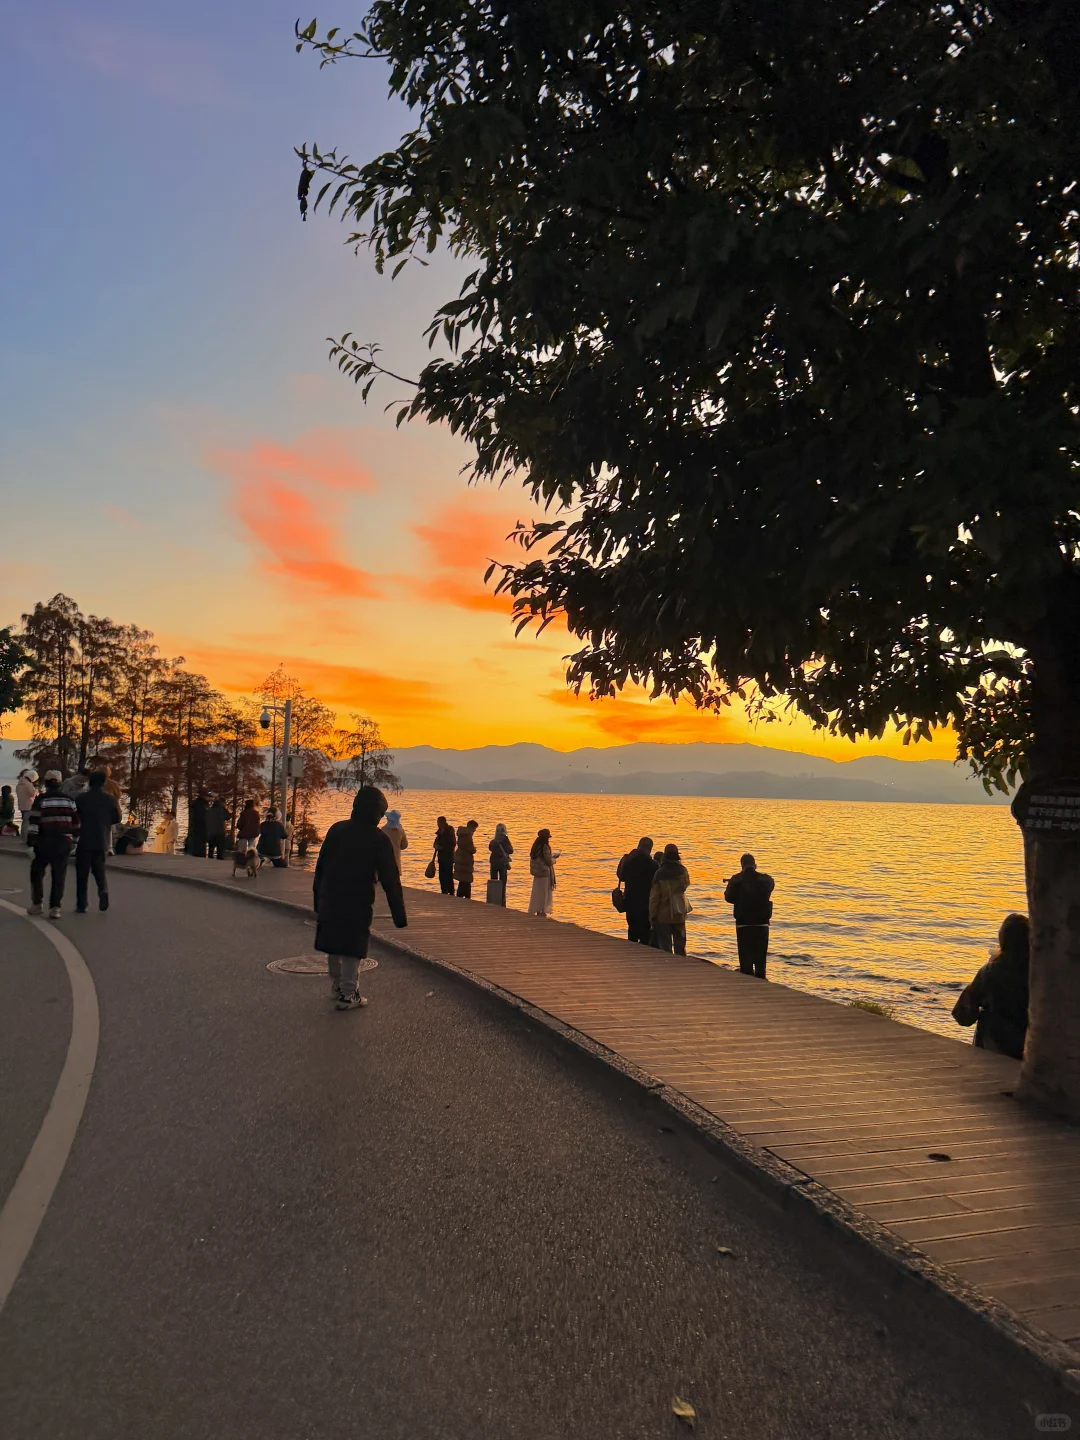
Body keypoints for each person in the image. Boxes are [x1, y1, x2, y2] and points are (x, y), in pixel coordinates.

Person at [313, 785, 407, 1010]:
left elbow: (321, 866)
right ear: (376, 812)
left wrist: (318, 898)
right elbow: (390, 879)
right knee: (352, 945)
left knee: (333, 943)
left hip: (330, 894)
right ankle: (348, 994)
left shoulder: (336, 829)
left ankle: (338, 986)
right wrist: (399, 915)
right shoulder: (378, 839)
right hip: (358, 898)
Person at [952, 913, 1030, 1059]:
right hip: (1028, 1048)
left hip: (992, 1048)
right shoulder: (1041, 974)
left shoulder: (990, 971)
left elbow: (963, 1016)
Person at [26, 770, 80, 919]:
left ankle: (37, 904)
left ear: (46, 783)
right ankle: (55, 908)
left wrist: (31, 843)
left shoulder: (41, 800)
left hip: (43, 841)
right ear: (60, 783)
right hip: (63, 841)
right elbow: (76, 823)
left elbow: (34, 823)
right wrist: (74, 841)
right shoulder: (69, 800)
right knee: (59, 875)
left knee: (37, 873)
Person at [74, 771, 122, 913]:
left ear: (89, 782)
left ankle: (82, 904)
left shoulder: (81, 798)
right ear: (103, 783)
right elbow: (117, 818)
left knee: (82, 874)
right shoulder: (110, 800)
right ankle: (103, 890)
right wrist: (105, 822)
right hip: (101, 839)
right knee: (99, 870)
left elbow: (75, 816)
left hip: (84, 839)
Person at [724, 853, 775, 979]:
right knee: (760, 959)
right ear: (755, 864)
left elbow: (728, 898)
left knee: (745, 959)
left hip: (743, 923)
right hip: (761, 923)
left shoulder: (736, 879)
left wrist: (736, 882)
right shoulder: (765, 880)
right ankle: (761, 982)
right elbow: (771, 885)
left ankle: (748, 983)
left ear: (742, 865)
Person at [650, 843, 691, 954]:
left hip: (663, 914)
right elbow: (686, 885)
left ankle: (668, 963)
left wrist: (652, 915)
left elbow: (654, 898)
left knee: (665, 947)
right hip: (679, 912)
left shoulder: (659, 873)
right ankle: (681, 963)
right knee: (680, 946)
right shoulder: (683, 871)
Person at [617, 836, 658, 944]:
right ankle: (644, 951)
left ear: (638, 845)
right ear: (650, 849)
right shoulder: (653, 864)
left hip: (630, 900)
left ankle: (631, 950)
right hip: (646, 902)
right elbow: (656, 883)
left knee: (632, 930)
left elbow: (621, 876)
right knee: (645, 933)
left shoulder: (628, 860)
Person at [528, 829, 559, 916]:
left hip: (537, 873)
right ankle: (542, 910)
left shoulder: (535, 847)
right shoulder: (545, 847)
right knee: (544, 893)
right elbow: (548, 861)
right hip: (544, 873)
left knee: (537, 892)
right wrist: (554, 859)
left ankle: (537, 909)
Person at [489, 823, 514, 904]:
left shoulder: (493, 841)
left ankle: (493, 899)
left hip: (494, 862)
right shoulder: (506, 840)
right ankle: (502, 901)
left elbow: (490, 848)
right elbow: (511, 850)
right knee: (503, 883)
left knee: (494, 880)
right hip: (503, 863)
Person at [454, 819, 478, 898]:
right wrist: (474, 849)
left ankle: (460, 895)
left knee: (462, 880)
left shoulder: (462, 834)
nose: (474, 831)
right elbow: (470, 848)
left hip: (461, 858)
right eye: (474, 829)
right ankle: (466, 896)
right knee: (466, 880)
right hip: (465, 859)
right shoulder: (468, 835)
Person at [433, 816, 456, 895]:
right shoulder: (440, 831)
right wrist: (436, 846)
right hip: (441, 857)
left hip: (448, 856)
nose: (438, 824)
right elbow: (436, 841)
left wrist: (442, 847)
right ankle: (444, 890)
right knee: (441, 875)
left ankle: (451, 891)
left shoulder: (449, 830)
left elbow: (452, 843)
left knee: (448, 875)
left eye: (439, 822)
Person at [382, 809, 409, 874]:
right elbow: (404, 845)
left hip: (384, 861)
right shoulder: (401, 831)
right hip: (396, 862)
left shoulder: (383, 830)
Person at [205, 794, 229, 859]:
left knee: (211, 849)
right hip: (220, 832)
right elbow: (228, 816)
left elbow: (206, 820)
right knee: (220, 850)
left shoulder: (210, 810)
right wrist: (225, 808)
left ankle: (209, 860)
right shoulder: (222, 810)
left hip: (211, 833)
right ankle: (219, 861)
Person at [16, 769, 38, 838]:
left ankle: (23, 834)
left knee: (24, 820)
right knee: (26, 821)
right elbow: (32, 794)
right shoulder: (28, 785)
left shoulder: (19, 784)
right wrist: (36, 790)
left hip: (21, 805)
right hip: (28, 805)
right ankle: (25, 835)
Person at [187, 788, 209, 856]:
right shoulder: (203, 803)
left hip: (196, 825)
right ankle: (200, 854)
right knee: (201, 841)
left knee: (197, 840)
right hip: (202, 825)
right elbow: (204, 815)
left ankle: (196, 853)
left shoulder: (196, 803)